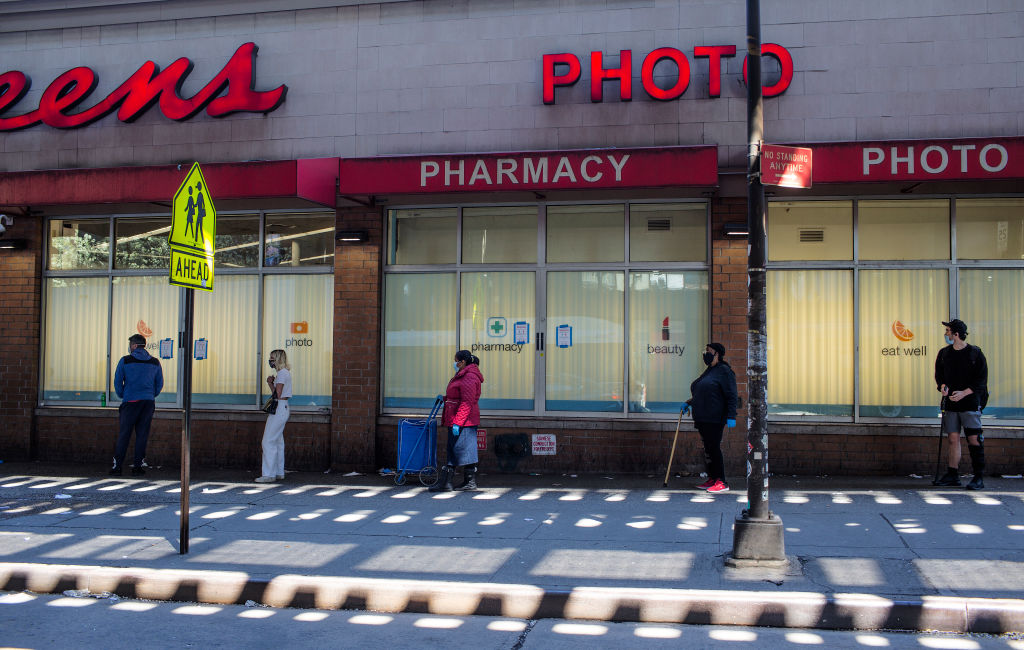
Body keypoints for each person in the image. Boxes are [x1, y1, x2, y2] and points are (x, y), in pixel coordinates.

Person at [933, 319, 989, 490]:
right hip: (950, 403)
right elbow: (939, 376)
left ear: (956, 334)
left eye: (948, 331)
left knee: (974, 438)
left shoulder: (975, 353)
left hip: (970, 403)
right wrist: (942, 387)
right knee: (953, 438)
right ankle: (952, 474)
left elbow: (981, 380)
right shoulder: (944, 354)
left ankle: (978, 477)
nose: (946, 334)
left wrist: (964, 393)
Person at [684, 342, 738, 493]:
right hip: (703, 417)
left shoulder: (724, 371)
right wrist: (689, 402)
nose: (705, 354)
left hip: (714, 417)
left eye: (709, 351)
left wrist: (731, 415)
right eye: (705, 350)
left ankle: (722, 481)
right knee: (708, 449)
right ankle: (712, 478)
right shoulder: (710, 370)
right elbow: (703, 391)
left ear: (717, 354)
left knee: (714, 449)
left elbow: (731, 395)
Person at [430, 350, 484, 492]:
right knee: (465, 450)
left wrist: (458, 423)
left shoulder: (469, 377)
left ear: (463, 362)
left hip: (463, 420)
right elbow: (459, 397)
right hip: (463, 419)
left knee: (454, 450)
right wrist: (446, 398)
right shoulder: (464, 374)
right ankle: (469, 482)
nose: (454, 363)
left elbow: (467, 402)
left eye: (456, 360)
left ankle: (446, 482)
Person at [111, 334, 163, 476]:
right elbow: (159, 384)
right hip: (147, 403)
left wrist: (123, 395)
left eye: (130, 345)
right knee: (142, 435)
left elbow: (117, 381)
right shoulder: (155, 362)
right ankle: (138, 466)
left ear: (134, 346)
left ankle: (117, 467)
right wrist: (150, 394)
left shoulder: (125, 361)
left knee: (124, 434)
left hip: (130, 402)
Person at [256, 349, 292, 483]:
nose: (270, 361)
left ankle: (268, 474)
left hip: (279, 408)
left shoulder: (282, 374)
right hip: (283, 407)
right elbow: (278, 393)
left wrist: (272, 383)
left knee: (268, 441)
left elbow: (277, 394)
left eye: (272, 358)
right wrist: (271, 383)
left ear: (277, 359)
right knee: (277, 441)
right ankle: (278, 471)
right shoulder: (284, 373)